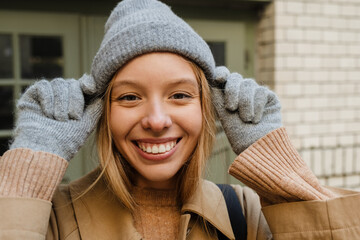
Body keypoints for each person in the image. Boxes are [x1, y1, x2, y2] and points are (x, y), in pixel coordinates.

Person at [0, 0, 359, 239]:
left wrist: (275, 164)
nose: (157, 120)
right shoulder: (52, 218)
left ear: (207, 108)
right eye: (129, 97)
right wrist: (31, 163)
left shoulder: (246, 212)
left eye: (180, 95)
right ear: (102, 113)